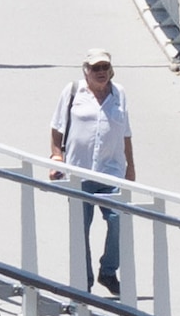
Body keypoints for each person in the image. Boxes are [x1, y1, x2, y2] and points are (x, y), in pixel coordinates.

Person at [49, 57, 134, 295]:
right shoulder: (73, 91)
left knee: (118, 220)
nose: (101, 72)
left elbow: (125, 133)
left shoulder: (119, 94)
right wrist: (56, 157)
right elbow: (57, 128)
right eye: (95, 68)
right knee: (80, 230)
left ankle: (107, 271)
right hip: (79, 172)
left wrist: (131, 168)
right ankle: (82, 283)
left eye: (105, 67)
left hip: (111, 172)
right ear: (86, 71)